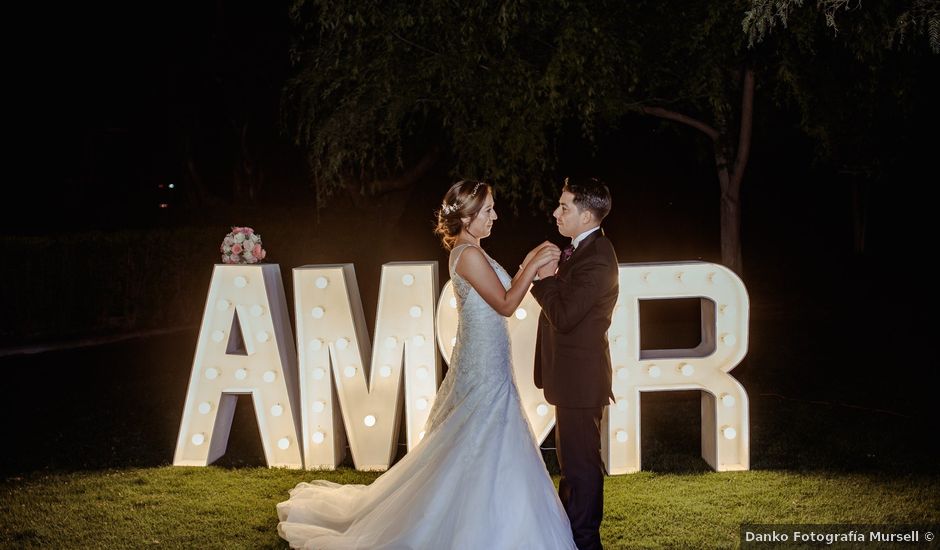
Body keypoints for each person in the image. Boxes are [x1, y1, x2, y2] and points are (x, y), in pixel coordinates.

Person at [277, 180, 576, 549]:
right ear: (466, 218)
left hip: (488, 356)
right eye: (487, 211)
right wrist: (533, 267)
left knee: (483, 435)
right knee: (483, 431)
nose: (495, 215)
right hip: (483, 361)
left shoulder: (473, 251)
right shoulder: (467, 255)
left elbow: (502, 292)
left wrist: (531, 258)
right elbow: (506, 304)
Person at [531, 177, 619, 550]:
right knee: (572, 467)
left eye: (564, 207)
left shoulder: (598, 258)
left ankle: (585, 542)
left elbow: (564, 316)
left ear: (587, 214)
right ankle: (570, 538)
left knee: (581, 468)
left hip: (582, 383)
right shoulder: (579, 251)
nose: (556, 212)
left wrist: (546, 280)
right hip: (572, 380)